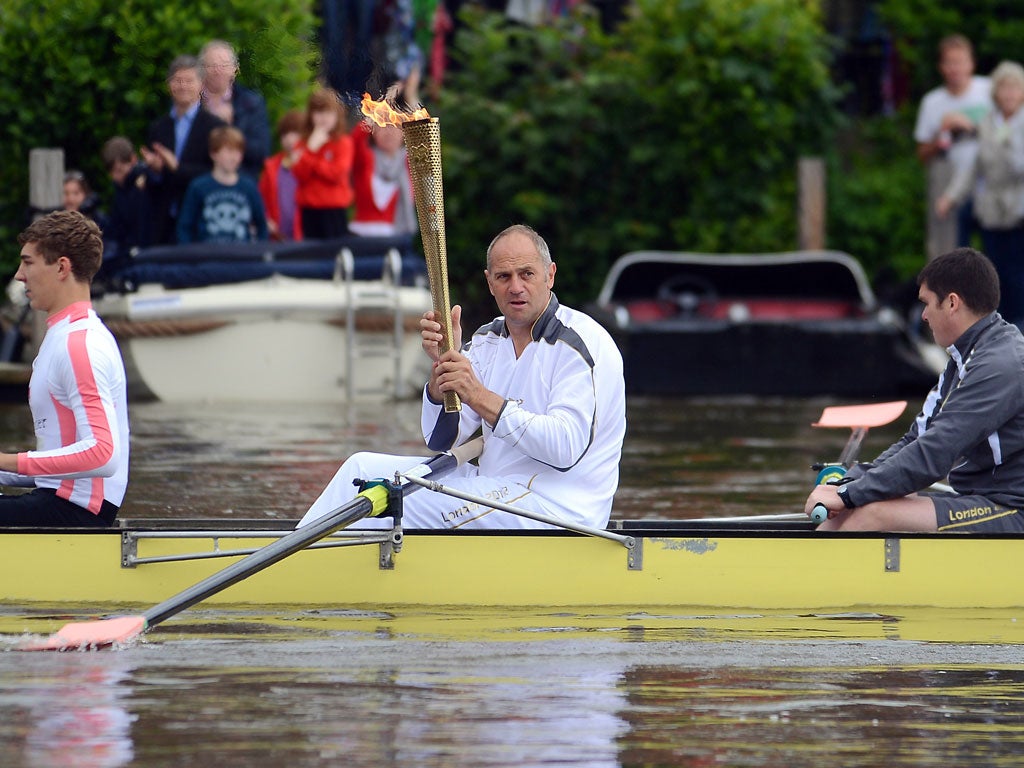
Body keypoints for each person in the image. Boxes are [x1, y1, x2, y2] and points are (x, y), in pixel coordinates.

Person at [297, 224, 626, 530]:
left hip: (560, 508)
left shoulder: (581, 343)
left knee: (398, 505)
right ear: (489, 282)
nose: (516, 287)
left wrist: (478, 395)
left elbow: (565, 450)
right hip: (496, 488)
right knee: (361, 468)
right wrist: (442, 379)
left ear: (549, 275)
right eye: (503, 276)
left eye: (527, 274)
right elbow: (441, 441)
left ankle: (309, 571)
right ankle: (284, 554)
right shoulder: (486, 341)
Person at [805, 247, 1024, 533]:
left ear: (952, 303)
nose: (922, 315)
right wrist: (851, 482)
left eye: (927, 303)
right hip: (979, 498)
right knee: (862, 505)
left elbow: (935, 454)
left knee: (870, 515)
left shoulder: (1000, 364)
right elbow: (916, 440)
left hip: (1011, 507)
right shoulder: (967, 357)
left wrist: (847, 496)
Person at [0, 210, 130, 527]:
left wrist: (6, 461)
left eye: (28, 262)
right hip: (59, 502)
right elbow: (58, 471)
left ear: (61, 267)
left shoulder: (81, 344)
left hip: (75, 513)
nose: (19, 275)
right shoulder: (64, 336)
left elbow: (103, 454)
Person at [937, 61, 1024, 327]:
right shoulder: (987, 123)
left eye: (1015, 89)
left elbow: (1019, 164)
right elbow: (974, 168)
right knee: (995, 273)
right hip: (991, 209)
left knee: (1017, 274)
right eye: (1004, 89)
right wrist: (950, 196)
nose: (1009, 95)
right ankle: (1001, 327)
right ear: (996, 93)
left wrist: (1006, 140)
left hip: (1019, 208)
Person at [914, 34, 992, 261]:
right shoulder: (932, 102)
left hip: (989, 188)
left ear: (971, 63)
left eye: (960, 62)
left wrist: (972, 126)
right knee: (953, 259)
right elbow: (922, 154)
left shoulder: (990, 91)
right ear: (941, 67)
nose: (955, 68)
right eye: (950, 62)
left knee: (999, 258)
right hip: (950, 192)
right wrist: (944, 133)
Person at [144, 54, 227, 244]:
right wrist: (155, 170)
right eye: (178, 81)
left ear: (200, 85)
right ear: (169, 85)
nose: (183, 86)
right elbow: (153, 181)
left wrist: (177, 167)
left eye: (189, 81)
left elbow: (216, 172)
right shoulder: (159, 127)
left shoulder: (214, 127)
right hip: (164, 218)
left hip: (202, 216)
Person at [177, 126, 269, 244]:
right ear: (214, 153)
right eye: (229, 151)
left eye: (238, 152)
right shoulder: (198, 187)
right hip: (208, 258)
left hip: (241, 259)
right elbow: (185, 227)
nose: (235, 157)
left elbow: (262, 225)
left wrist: (257, 254)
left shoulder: (249, 187)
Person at [199, 39, 271, 179]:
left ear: (234, 70)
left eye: (224, 65)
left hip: (240, 184)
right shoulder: (191, 102)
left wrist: (229, 128)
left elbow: (261, 153)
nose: (217, 70)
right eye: (212, 65)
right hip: (198, 182)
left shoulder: (251, 103)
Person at [290, 87, 355, 239]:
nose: (324, 118)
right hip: (309, 210)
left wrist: (311, 158)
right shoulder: (303, 144)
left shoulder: (343, 143)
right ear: (311, 115)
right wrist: (311, 148)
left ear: (337, 115)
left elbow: (336, 174)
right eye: (319, 112)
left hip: (334, 210)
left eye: (329, 112)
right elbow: (300, 175)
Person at [348, 121, 417, 236]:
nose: (388, 133)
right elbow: (354, 141)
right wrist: (371, 114)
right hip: (361, 234)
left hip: (398, 235)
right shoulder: (365, 159)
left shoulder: (410, 162)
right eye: (382, 127)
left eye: (394, 127)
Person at [100, 135, 154, 263]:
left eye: (119, 170)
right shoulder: (120, 190)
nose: (115, 177)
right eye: (112, 172)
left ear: (133, 160)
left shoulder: (144, 183)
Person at [258, 110, 305, 241]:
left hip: (304, 239)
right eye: (285, 134)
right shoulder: (271, 167)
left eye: (295, 133)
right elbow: (260, 200)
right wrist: (265, 220)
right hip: (276, 239)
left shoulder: (312, 166)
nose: (289, 139)